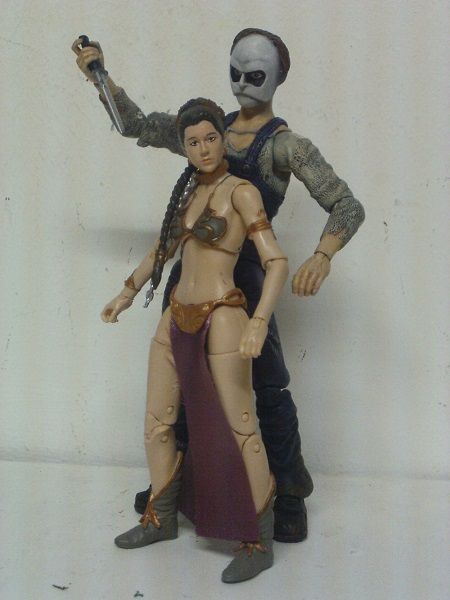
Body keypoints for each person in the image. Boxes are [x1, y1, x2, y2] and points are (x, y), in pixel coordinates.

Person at [72, 28, 365, 543]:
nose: (243, 82)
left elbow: (346, 204)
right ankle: (178, 483)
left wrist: (323, 255)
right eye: (236, 71)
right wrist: (101, 77)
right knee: (181, 377)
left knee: (266, 384)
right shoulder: (208, 127)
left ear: (278, 77)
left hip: (248, 275)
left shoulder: (286, 146)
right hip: (190, 270)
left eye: (256, 74)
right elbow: (137, 125)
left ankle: (287, 491)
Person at [101, 98, 289, 583]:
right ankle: (161, 517)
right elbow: (162, 249)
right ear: (183, 148)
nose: (203, 149)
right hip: (176, 315)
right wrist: (126, 292)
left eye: (210, 138)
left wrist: (259, 321)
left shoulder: (241, 192)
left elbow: (276, 261)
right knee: (156, 422)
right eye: (193, 142)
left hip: (223, 315)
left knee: (241, 427)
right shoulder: (187, 193)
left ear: (223, 139)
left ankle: (258, 538)